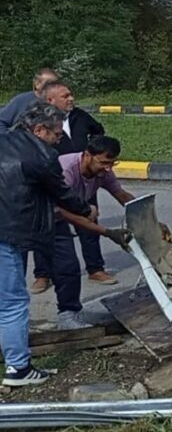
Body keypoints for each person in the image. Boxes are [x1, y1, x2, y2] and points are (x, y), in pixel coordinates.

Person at [0, 102, 96, 387]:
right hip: (8, 233)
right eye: (56, 134)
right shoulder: (41, 155)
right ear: (39, 129)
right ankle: (18, 369)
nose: (60, 140)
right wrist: (86, 209)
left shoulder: (3, 141)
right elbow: (62, 193)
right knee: (13, 302)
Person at [31, 81, 115, 293]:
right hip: (55, 181)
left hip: (86, 175)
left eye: (71, 94)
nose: (71, 99)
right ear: (50, 100)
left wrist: (95, 155)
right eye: (65, 96)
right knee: (48, 227)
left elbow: (99, 131)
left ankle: (95, 268)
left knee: (89, 222)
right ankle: (42, 274)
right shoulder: (40, 122)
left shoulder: (80, 117)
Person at [51, 136, 135, 330]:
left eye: (112, 163)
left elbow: (121, 195)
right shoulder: (66, 170)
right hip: (48, 213)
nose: (108, 168)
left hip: (77, 206)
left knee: (68, 267)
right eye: (104, 163)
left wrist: (148, 217)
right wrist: (108, 232)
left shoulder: (104, 171)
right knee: (53, 262)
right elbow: (65, 212)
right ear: (87, 155)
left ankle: (68, 314)